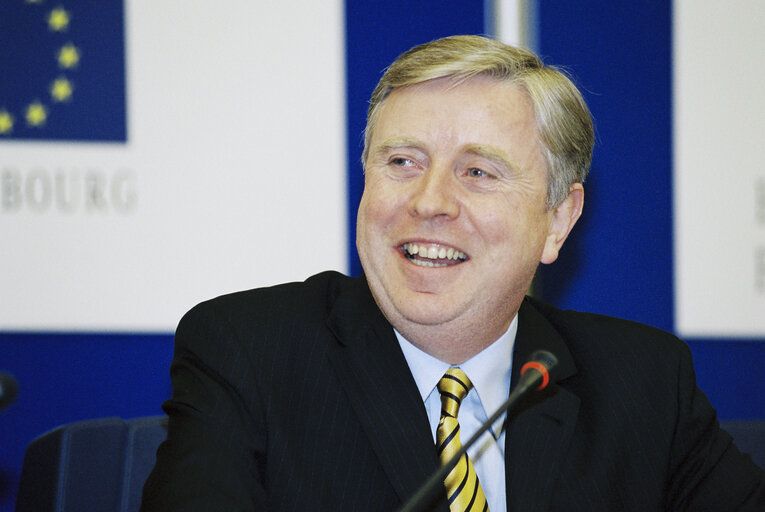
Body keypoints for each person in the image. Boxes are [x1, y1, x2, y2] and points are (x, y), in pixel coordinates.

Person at [141, 35, 764, 511]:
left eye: (478, 172)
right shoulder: (247, 351)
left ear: (557, 219)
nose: (430, 201)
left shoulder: (645, 384)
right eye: (404, 162)